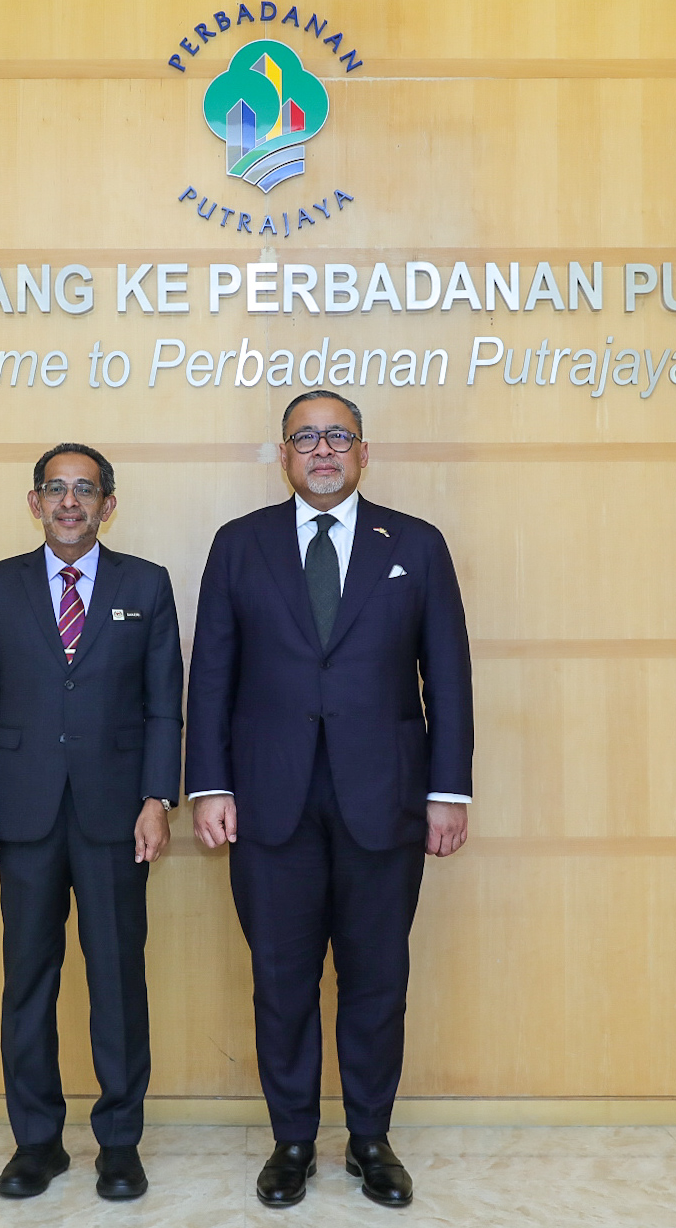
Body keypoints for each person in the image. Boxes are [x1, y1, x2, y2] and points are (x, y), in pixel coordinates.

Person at [187, 390, 474, 1208]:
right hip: (267, 799)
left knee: (377, 978)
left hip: (385, 798)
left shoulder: (416, 545)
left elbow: (447, 675)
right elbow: (212, 676)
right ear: (282, 454)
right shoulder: (239, 545)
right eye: (305, 437)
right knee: (281, 981)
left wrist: (447, 791)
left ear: (363, 453)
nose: (322, 450)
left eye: (337, 437)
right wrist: (209, 785)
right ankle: (292, 1141)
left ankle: (371, 1139)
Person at [0, 442, 183, 1201]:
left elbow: (164, 705)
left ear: (108, 505)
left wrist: (157, 799)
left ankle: (119, 1143)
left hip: (117, 815)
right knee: (28, 980)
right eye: (56, 489)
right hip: (21, 814)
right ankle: (37, 1143)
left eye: (86, 489)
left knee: (117, 979)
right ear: (35, 502)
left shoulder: (146, 584)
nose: (70, 502)